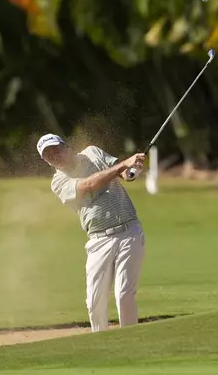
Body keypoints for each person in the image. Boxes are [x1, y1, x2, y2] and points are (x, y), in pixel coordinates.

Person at [36, 133, 147, 332]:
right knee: (94, 302)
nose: (55, 156)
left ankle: (131, 342)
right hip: (98, 240)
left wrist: (132, 170)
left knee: (124, 295)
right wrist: (123, 165)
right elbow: (89, 185)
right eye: (49, 156)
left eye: (56, 150)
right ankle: (100, 344)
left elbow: (123, 174)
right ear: (46, 161)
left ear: (66, 145)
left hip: (129, 231)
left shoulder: (92, 153)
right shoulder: (58, 182)